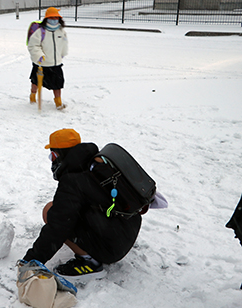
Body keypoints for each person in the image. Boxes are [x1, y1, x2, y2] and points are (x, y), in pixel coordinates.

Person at [22, 129, 166, 280]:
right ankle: (97, 244)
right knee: (62, 209)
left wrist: (32, 260)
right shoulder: (96, 163)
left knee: (50, 211)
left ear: (61, 154)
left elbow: (58, 226)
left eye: (53, 155)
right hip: (127, 231)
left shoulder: (72, 180)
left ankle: (90, 262)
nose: (52, 160)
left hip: (112, 247)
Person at [27, 7, 68, 110]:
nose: (54, 20)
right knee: (35, 82)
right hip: (41, 63)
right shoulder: (40, 32)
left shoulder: (61, 31)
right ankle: (32, 95)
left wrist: (62, 54)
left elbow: (64, 43)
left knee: (58, 83)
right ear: (46, 19)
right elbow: (33, 45)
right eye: (51, 18)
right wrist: (39, 56)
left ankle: (58, 102)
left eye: (56, 18)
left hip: (56, 64)